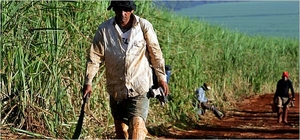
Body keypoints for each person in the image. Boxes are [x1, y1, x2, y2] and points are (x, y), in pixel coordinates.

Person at [82, 0, 170, 139]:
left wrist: (162, 79)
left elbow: (156, 54)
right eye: (119, 10)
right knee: (121, 133)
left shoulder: (143, 27)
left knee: (137, 128)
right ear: (114, 10)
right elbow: (95, 57)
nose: (122, 14)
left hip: (139, 87)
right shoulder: (105, 30)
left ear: (132, 10)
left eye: (126, 10)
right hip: (116, 89)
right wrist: (88, 82)